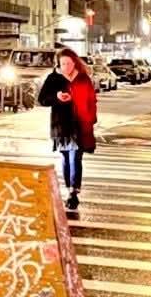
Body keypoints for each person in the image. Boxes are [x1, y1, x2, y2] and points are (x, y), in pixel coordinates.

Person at [38, 47, 97, 210]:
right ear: (59, 64)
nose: (66, 66)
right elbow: (42, 99)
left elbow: (92, 100)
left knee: (75, 157)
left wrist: (91, 120)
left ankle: (73, 192)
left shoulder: (83, 78)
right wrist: (56, 97)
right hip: (61, 125)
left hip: (79, 124)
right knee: (65, 158)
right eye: (63, 63)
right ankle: (69, 189)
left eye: (69, 63)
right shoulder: (54, 78)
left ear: (75, 62)